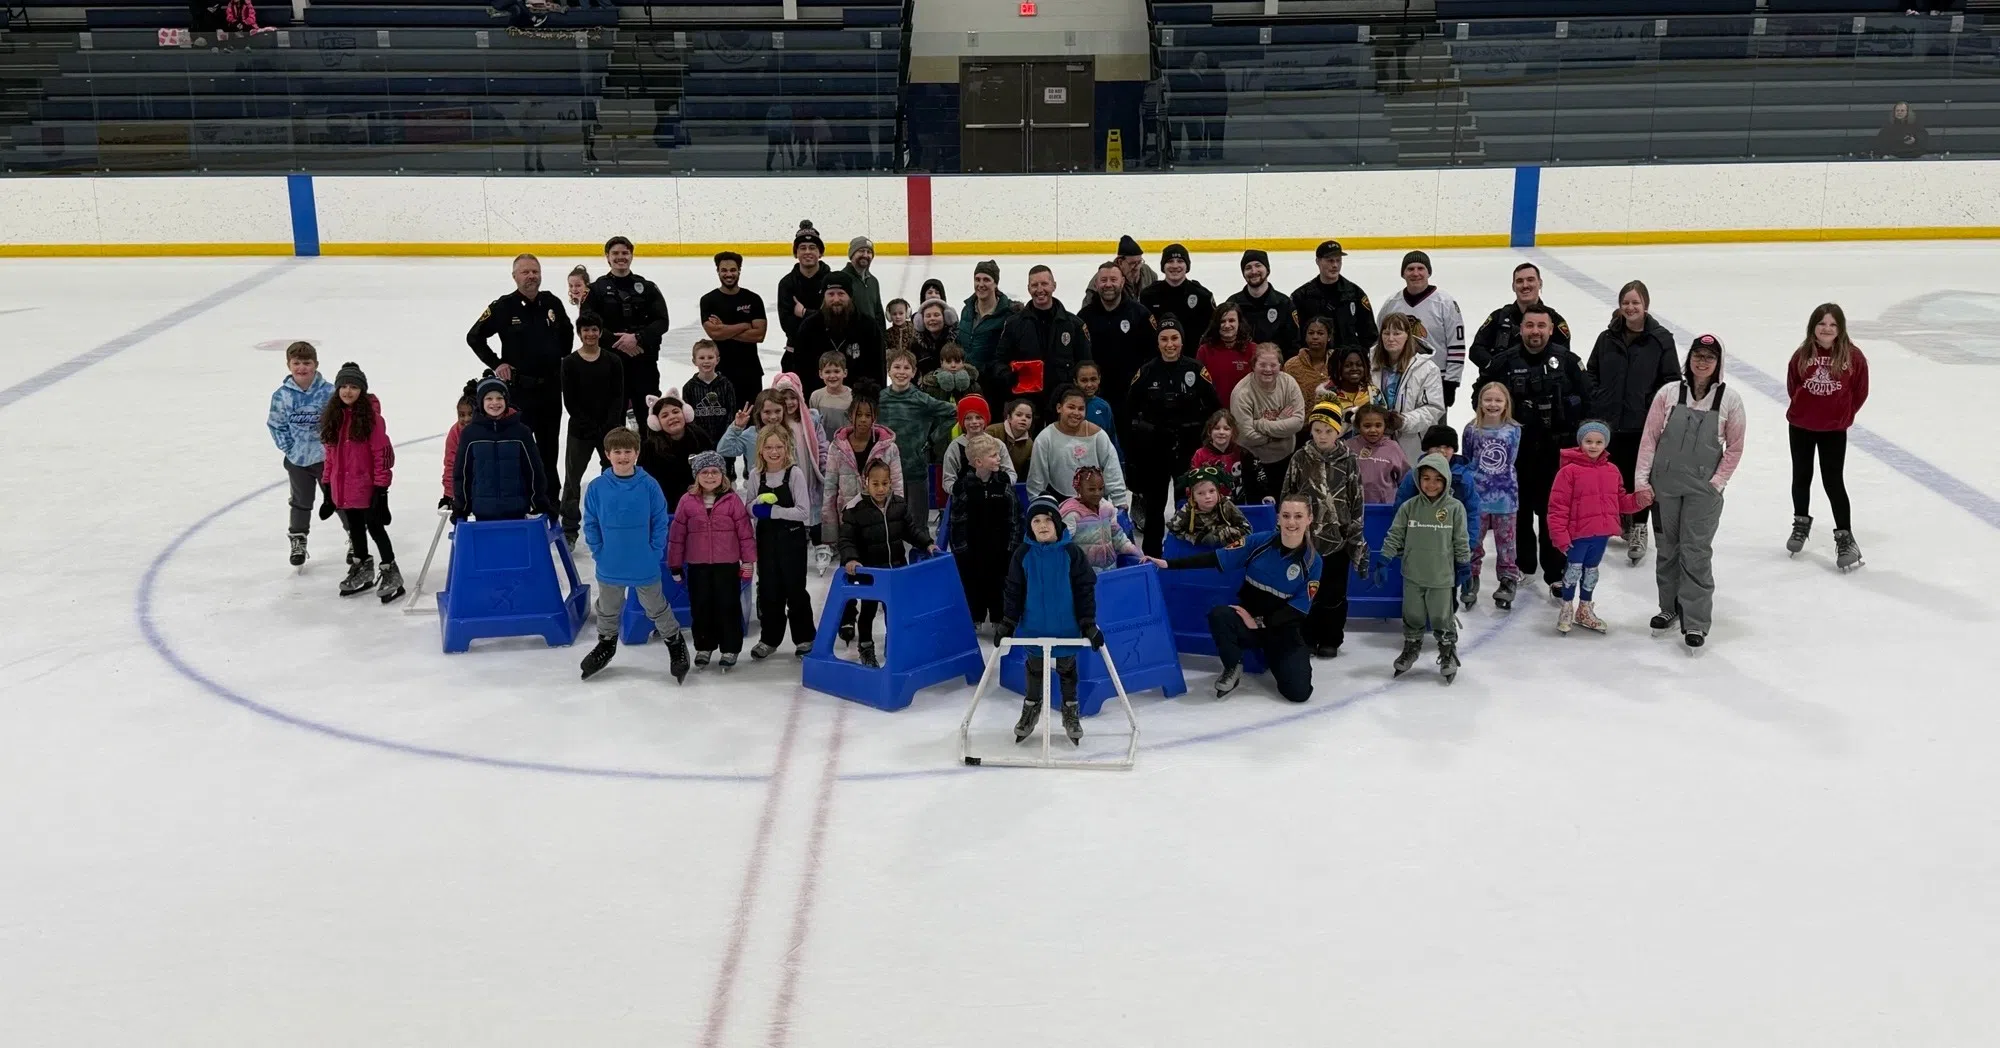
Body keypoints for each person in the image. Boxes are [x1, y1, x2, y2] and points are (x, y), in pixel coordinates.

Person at [1635, 334, 1746, 651]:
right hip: (1665, 486)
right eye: (1697, 355)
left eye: (1709, 357)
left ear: (1718, 363)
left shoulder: (1730, 400)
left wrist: (1717, 483)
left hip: (1703, 491)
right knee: (1668, 549)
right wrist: (1642, 482)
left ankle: (1695, 621)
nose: (1702, 361)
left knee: (1695, 553)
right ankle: (1668, 608)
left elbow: (1734, 449)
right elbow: (1650, 440)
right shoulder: (1669, 394)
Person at [1154, 495, 1320, 702]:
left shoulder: (1313, 561)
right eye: (1286, 516)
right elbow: (1216, 557)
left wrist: (1260, 622)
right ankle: (1233, 666)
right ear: (1278, 518)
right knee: (1220, 615)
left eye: (1298, 516)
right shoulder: (1259, 542)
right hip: (1246, 622)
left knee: (1299, 693)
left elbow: (1297, 611)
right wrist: (1169, 564)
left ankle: (1275, 658)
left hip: (1282, 632)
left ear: (1309, 519)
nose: (1291, 522)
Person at [1476, 303, 1590, 597]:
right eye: (1530, 326)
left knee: (1554, 513)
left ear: (1551, 330)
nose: (1535, 332)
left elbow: (1590, 402)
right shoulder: (1503, 362)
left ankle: (1555, 572)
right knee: (1520, 513)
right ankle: (1523, 567)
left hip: (1558, 454)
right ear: (1521, 329)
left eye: (1541, 326)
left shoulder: (1567, 362)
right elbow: (1480, 395)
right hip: (1516, 455)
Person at [578, 427, 691, 684]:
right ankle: (606, 643)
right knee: (608, 608)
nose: (623, 456)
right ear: (608, 454)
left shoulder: (649, 485)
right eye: (617, 451)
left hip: (643, 561)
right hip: (610, 561)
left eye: (628, 451)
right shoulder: (597, 487)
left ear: (637, 453)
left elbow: (660, 520)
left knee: (655, 606)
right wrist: (598, 550)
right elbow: (591, 522)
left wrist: (654, 551)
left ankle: (674, 643)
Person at [1586, 279, 1678, 564]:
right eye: (1625, 302)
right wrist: (1599, 397)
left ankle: (1639, 526)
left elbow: (1672, 382)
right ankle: (1622, 520)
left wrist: (1652, 406)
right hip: (1612, 423)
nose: (1630, 307)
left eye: (1635, 302)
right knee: (1617, 476)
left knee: (1640, 479)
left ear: (1646, 305)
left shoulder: (1661, 340)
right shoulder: (1607, 338)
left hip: (1643, 424)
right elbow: (1591, 372)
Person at [468, 253, 570, 508]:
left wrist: (559, 359)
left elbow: (567, 333)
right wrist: (496, 364)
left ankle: (550, 507)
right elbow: (474, 337)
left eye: (534, 271)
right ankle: (521, 503)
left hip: (549, 392)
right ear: (514, 277)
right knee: (518, 451)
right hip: (519, 393)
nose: (531, 276)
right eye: (525, 272)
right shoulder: (503, 307)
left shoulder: (552, 303)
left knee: (549, 453)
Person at [999, 496, 1101, 745]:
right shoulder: (1023, 554)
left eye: (1047, 520)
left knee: (1067, 670)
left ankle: (1070, 711)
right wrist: (1008, 622)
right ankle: (1031, 709)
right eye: (1036, 520)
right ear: (1029, 526)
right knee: (1035, 670)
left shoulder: (1072, 553)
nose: (1042, 525)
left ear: (1057, 522)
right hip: (1035, 627)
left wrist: (1088, 622)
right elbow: (1013, 590)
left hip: (1066, 627)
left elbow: (1084, 589)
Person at [1123, 318, 1219, 555]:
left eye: (1174, 338)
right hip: (1154, 449)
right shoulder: (1146, 372)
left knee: (1187, 505)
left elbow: (1215, 410)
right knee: (1154, 509)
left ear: (1182, 340)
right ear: (1157, 343)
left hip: (1188, 447)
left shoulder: (1195, 370)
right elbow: (1128, 412)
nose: (1169, 344)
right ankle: (1151, 558)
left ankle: (1183, 554)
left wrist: (1207, 444)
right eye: (1164, 339)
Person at [1785, 303, 1870, 571]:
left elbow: (1859, 392)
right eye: (1822, 324)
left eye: (1833, 325)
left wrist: (1842, 415)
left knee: (1833, 482)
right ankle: (1801, 523)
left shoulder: (1853, 357)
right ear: (1813, 326)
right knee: (1801, 476)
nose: (1827, 329)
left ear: (1841, 329)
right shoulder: (1802, 354)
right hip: (1801, 426)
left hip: (1833, 430)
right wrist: (1805, 409)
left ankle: (1845, 538)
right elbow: (1793, 385)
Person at [1373, 454, 1469, 683]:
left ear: (1446, 480)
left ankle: (1447, 652)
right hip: (1413, 575)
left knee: (1441, 617)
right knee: (1413, 615)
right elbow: (1395, 534)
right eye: (1426, 478)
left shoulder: (1455, 509)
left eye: (1437, 479)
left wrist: (1465, 566)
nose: (1431, 484)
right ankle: (1411, 646)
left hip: (1441, 577)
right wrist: (1384, 559)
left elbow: (1461, 540)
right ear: (1418, 479)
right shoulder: (1409, 507)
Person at [1281, 403, 1367, 658]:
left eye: (1328, 430)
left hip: (1338, 539)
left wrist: (1354, 532)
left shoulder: (1350, 459)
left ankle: (1331, 638)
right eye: (1317, 430)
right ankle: (1306, 636)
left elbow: (1357, 498)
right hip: (1306, 538)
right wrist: (1289, 528)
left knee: (1334, 591)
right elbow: (1288, 493)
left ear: (1338, 431)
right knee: (1306, 589)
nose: (1322, 435)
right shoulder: (1300, 458)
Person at [1548, 422, 1648, 633]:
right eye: (1588, 441)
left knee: (1591, 572)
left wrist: (1639, 501)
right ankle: (1567, 606)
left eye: (1599, 442)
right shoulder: (1569, 472)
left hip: (1600, 534)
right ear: (1580, 442)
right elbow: (1557, 507)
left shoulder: (1612, 470)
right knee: (1573, 571)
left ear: (1606, 444)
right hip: (1577, 535)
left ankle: (1584, 608)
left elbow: (1620, 502)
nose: (1593, 446)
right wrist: (1559, 535)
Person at [838, 460, 938, 667]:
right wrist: (851, 558)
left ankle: (898, 645)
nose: (881, 488)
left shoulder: (899, 504)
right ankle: (866, 647)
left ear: (891, 483)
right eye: (875, 484)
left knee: (897, 610)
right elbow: (847, 540)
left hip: (896, 570)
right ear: (865, 482)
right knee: (868, 610)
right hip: (871, 574)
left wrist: (927, 543)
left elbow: (911, 530)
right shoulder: (854, 509)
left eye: (885, 483)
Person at [320, 362, 400, 601]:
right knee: (355, 529)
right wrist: (327, 489)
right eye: (343, 386)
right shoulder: (334, 418)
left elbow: (383, 454)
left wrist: (381, 490)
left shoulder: (372, 419)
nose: (347, 391)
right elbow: (330, 457)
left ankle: (390, 570)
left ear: (362, 390)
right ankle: (362, 568)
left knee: (376, 528)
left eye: (353, 386)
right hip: (343, 489)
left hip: (367, 488)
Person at [668, 452, 755, 669]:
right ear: (696, 476)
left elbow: (745, 533)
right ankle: (704, 646)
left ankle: (729, 648)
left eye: (714, 472)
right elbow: (677, 537)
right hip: (698, 566)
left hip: (726, 566)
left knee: (728, 607)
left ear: (722, 475)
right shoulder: (687, 501)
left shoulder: (732, 500)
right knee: (701, 607)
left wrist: (748, 561)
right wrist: (675, 565)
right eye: (704, 472)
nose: (710, 476)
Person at [583, 236, 670, 429]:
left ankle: (651, 459)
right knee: (612, 421)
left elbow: (662, 322)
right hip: (610, 366)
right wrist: (622, 345)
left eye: (625, 253)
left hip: (644, 364)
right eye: (615, 253)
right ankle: (615, 459)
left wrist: (637, 338)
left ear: (631, 256)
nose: (620, 257)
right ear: (607, 257)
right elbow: (586, 324)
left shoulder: (647, 287)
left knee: (650, 421)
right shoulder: (595, 290)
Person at [749, 426, 818, 659]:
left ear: (787, 447)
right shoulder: (755, 475)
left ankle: (805, 637)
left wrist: (774, 512)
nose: (774, 451)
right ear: (761, 450)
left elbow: (803, 512)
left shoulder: (794, 473)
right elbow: (749, 508)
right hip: (766, 541)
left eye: (778, 446)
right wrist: (756, 505)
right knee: (769, 590)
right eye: (768, 447)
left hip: (792, 540)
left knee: (795, 590)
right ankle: (769, 639)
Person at [823, 395, 902, 598]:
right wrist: (830, 527)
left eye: (868, 415)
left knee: (877, 572)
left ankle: (880, 605)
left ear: (875, 416)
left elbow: (897, 485)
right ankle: (848, 617)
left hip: (879, 522)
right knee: (849, 569)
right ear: (850, 415)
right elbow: (830, 488)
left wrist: (896, 519)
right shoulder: (836, 447)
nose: (863, 419)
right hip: (849, 522)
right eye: (859, 414)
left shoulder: (889, 447)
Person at [558, 312, 625, 546]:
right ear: (579, 333)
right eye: (586, 330)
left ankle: (613, 523)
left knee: (614, 478)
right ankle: (569, 529)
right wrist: (588, 423)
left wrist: (609, 425)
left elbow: (618, 396)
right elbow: (571, 400)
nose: (590, 334)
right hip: (580, 430)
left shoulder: (613, 361)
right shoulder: (569, 363)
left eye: (594, 329)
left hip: (609, 431)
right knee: (572, 479)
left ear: (600, 331)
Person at [1393, 425, 1483, 598]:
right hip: (1420, 544)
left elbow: (1472, 513)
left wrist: (1470, 544)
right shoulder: (1414, 477)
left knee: (1446, 589)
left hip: (1449, 546)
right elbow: (1400, 509)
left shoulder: (1464, 479)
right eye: (1436, 446)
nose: (1442, 451)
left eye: (1447, 447)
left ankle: (1447, 614)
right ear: (1427, 449)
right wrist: (1400, 540)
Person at [991, 265, 1091, 421]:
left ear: (1054, 286)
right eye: (1034, 285)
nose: (1040, 289)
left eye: (1044, 284)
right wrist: (1007, 376)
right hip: (1027, 405)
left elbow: (1085, 364)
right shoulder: (1014, 324)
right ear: (1028, 288)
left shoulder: (1074, 325)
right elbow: (999, 361)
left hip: (1063, 404)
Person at [455, 373, 553, 530]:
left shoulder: (521, 432)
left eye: (499, 398)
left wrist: (539, 501)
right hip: (483, 510)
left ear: (506, 401)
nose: (495, 403)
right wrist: (462, 505)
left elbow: (534, 470)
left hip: (516, 509)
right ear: (481, 402)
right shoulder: (470, 434)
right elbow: (462, 473)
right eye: (489, 399)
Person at [949, 433, 1023, 636]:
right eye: (993, 455)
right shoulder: (963, 487)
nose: (999, 459)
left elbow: (1016, 517)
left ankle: (1001, 620)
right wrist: (960, 550)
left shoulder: (1004, 484)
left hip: (1001, 549)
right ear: (978, 462)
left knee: (1000, 585)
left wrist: (1012, 547)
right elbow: (956, 521)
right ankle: (975, 619)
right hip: (972, 550)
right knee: (973, 585)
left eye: (998, 455)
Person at [268, 340, 333, 567]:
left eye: (306, 363)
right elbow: (276, 425)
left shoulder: (329, 392)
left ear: (315, 364)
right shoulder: (282, 396)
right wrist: (291, 449)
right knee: (300, 502)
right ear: (289, 365)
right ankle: (298, 540)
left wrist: (333, 450)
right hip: (298, 461)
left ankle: (354, 538)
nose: (301, 367)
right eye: (296, 363)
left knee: (339, 499)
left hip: (328, 461)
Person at [1376, 250, 1467, 406]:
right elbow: (1379, 341)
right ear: (1403, 273)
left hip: (1435, 379)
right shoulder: (1392, 303)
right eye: (1410, 269)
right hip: (1397, 378)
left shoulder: (1445, 302)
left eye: (1421, 268)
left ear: (1429, 272)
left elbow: (1456, 345)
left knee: (1434, 427)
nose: (1415, 273)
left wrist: (1451, 381)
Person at [1462, 381, 1524, 609]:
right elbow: (1468, 459)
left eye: (1498, 400)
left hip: (1505, 496)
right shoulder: (1471, 430)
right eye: (1488, 399)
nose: (1493, 404)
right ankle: (1471, 577)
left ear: (1506, 403)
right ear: (1480, 403)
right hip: (1478, 497)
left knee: (1506, 543)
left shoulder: (1514, 430)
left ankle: (1507, 580)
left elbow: (1512, 459)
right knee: (1473, 541)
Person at [877, 349, 958, 514]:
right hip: (885, 471)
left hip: (915, 469)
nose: (901, 372)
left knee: (918, 521)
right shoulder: (879, 399)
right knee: (889, 518)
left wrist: (932, 439)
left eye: (906, 368)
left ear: (913, 372)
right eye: (897, 367)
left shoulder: (922, 399)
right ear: (889, 370)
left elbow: (954, 412)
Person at [1027, 386, 1129, 508]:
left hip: (1095, 501)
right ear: (1059, 408)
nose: (1076, 413)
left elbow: (1113, 470)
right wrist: (1038, 506)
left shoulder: (1098, 435)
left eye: (1081, 409)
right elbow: (1037, 478)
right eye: (1071, 407)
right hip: (1059, 500)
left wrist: (1120, 501)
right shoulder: (1045, 438)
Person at [1231, 343, 1306, 503]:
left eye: (1273, 365)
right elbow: (1245, 436)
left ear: (1280, 365)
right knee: (1258, 510)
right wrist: (1280, 426)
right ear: (1253, 365)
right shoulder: (1242, 392)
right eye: (1262, 364)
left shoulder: (1289, 384)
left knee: (1285, 509)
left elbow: (1298, 422)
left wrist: (1260, 424)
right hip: (1253, 463)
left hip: (1286, 459)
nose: (1268, 369)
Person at [1077, 261, 1156, 410]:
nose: (1108, 285)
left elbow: (1152, 355)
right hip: (1095, 397)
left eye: (1113, 280)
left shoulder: (1140, 314)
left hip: (1132, 397)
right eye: (1103, 280)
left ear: (1123, 281)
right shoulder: (1084, 317)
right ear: (1096, 283)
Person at [790, 270, 883, 395]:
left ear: (850, 295)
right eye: (831, 294)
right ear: (824, 296)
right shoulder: (809, 327)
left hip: (859, 403)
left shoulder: (868, 326)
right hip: (818, 401)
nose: (836, 299)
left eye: (841, 294)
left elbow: (877, 369)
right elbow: (801, 369)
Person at [1372, 312, 1446, 466]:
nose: (1391, 338)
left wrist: (1403, 422)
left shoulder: (1427, 369)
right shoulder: (1369, 363)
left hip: (1410, 445)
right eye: (1386, 333)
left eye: (1397, 333)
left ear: (1408, 336)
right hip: (1373, 442)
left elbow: (1433, 408)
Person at [1469, 262, 1572, 373]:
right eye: (1519, 281)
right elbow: (1476, 350)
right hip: (1502, 385)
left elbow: (1563, 357)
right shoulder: (1499, 317)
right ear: (1513, 286)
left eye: (1530, 280)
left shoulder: (1554, 320)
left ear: (1540, 283)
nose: (1525, 285)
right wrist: (1495, 367)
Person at [700, 250, 768, 401]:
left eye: (732, 270)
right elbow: (715, 334)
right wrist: (745, 325)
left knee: (752, 418)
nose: (728, 274)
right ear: (717, 271)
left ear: (739, 271)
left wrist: (724, 328)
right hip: (720, 371)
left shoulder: (753, 299)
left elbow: (759, 335)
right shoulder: (708, 300)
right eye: (724, 270)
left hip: (750, 371)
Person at [1289, 240, 1377, 354]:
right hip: (1313, 363)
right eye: (1330, 261)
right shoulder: (1301, 296)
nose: (1335, 265)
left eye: (1338, 260)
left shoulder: (1355, 294)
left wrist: (1359, 357)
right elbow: (1293, 335)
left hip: (1347, 363)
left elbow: (1369, 333)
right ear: (1318, 261)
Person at [1061, 465, 1139, 571]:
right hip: (1083, 576)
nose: (1097, 493)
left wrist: (1135, 551)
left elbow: (1117, 536)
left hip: (1110, 570)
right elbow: (1062, 545)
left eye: (1101, 488)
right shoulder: (1071, 514)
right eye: (1091, 489)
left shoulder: (1107, 508)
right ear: (1078, 489)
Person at [776, 221, 831, 366]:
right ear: (796, 253)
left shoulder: (832, 281)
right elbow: (787, 325)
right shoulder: (786, 284)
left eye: (812, 247)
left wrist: (805, 313)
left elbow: (833, 320)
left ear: (820, 252)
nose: (807, 252)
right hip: (795, 353)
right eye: (802, 248)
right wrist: (818, 315)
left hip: (828, 356)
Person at [638, 394, 713, 502]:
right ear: (656, 422)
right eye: (664, 415)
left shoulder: (699, 436)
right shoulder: (650, 447)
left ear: (685, 413)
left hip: (700, 500)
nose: (672, 417)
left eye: (675, 412)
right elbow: (644, 481)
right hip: (665, 504)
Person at [1228, 249, 1299, 356]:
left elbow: (1294, 344)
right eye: (1248, 268)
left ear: (1267, 270)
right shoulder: (1233, 303)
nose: (1253, 271)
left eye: (1258, 265)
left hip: (1274, 368)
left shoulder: (1284, 304)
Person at [941, 393, 1012, 494]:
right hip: (966, 502)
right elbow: (947, 480)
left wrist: (1003, 481)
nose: (974, 422)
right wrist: (959, 489)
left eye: (978, 417)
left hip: (995, 498)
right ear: (962, 421)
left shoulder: (997, 444)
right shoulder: (955, 447)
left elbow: (1011, 473)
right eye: (968, 418)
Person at [1141, 242, 1216, 338]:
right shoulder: (1148, 296)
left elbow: (1213, 332)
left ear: (1187, 266)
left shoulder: (1203, 296)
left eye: (1180, 261)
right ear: (1163, 266)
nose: (1175, 266)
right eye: (1170, 261)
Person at [1166, 466, 1251, 548]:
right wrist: (1196, 538)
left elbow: (1247, 529)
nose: (1207, 496)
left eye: (1211, 491)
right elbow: (1174, 529)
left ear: (1218, 491)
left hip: (1226, 551)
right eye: (1200, 493)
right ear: (1193, 497)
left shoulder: (1226, 505)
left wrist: (1224, 533)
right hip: (1197, 554)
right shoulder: (1188, 509)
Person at [959, 259, 1018, 377]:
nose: (981, 285)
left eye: (986, 280)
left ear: (995, 284)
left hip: (992, 381)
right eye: (977, 279)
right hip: (966, 380)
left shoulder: (1008, 315)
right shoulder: (967, 310)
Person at [917, 344, 983, 443]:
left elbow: (981, 413)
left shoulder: (973, 386)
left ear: (963, 362)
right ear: (941, 363)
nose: (953, 365)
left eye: (957, 361)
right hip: (939, 438)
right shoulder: (931, 387)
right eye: (948, 362)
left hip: (968, 437)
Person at [680, 339, 740, 449]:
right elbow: (688, 418)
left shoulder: (726, 385)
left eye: (710, 357)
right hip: (699, 441)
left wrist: (728, 435)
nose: (706, 361)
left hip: (724, 439)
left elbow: (731, 412)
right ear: (694, 361)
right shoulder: (689, 387)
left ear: (717, 360)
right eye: (702, 358)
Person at [1344, 403, 1409, 504]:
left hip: (1384, 509)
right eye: (1367, 426)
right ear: (1358, 426)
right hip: (1353, 508)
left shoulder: (1393, 448)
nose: (1373, 430)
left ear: (1385, 425)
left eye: (1378, 425)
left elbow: (1405, 479)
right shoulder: (1348, 446)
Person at [1197, 301, 1256, 407]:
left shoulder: (1253, 350)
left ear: (1239, 323)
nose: (1227, 325)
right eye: (1222, 321)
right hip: (1214, 414)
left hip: (1245, 412)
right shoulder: (1204, 351)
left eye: (1231, 320)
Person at [1314, 345, 1376, 434]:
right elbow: (1323, 431)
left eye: (1359, 365)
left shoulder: (1373, 392)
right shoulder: (1326, 396)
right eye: (1347, 365)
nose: (1354, 369)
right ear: (1338, 368)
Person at [1284, 316, 1336, 412]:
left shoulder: (1338, 362)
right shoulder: (1292, 365)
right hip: (1300, 422)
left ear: (1329, 337)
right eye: (1311, 333)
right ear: (1306, 336)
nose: (1315, 337)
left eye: (1320, 333)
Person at [1190, 409, 1247, 495]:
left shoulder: (1242, 452)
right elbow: (1192, 483)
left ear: (1233, 432)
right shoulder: (1200, 454)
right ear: (1209, 431)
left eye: (1226, 429)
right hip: (1210, 504)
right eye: (1216, 428)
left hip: (1239, 503)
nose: (1221, 432)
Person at [1071, 361, 1118, 452]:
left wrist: (1120, 462)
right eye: (1084, 380)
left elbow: (1112, 437)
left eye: (1093, 379)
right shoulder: (1068, 407)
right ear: (1075, 381)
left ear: (1099, 379)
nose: (1089, 385)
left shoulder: (1104, 406)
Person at [842, 236, 885, 330]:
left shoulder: (873, 281)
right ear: (852, 254)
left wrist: (881, 338)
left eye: (869, 252)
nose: (865, 255)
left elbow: (878, 313)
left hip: (871, 338)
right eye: (861, 251)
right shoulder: (842, 279)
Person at [810, 352, 855, 437]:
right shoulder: (816, 396)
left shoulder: (852, 397)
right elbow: (813, 424)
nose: (832, 376)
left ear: (845, 373)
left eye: (836, 371)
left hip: (845, 446)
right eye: (827, 372)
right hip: (823, 447)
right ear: (820, 374)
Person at [911, 300, 958, 374]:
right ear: (921, 321)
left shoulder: (957, 341)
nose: (932, 319)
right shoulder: (915, 346)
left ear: (945, 318)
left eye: (936, 315)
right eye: (928, 316)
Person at [998, 398, 1036, 478]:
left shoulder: (1030, 444)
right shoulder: (993, 431)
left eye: (1028, 417)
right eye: (1019, 415)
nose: (1024, 419)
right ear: (1009, 418)